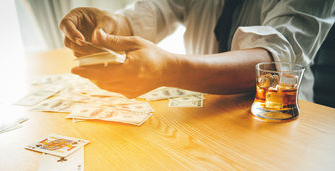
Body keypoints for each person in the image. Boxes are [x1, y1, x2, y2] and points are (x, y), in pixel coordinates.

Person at [59, 0, 335, 100]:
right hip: (203, 113)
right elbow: (160, 7)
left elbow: (274, 60)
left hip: (278, 118)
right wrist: (111, 25)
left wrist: (170, 69)